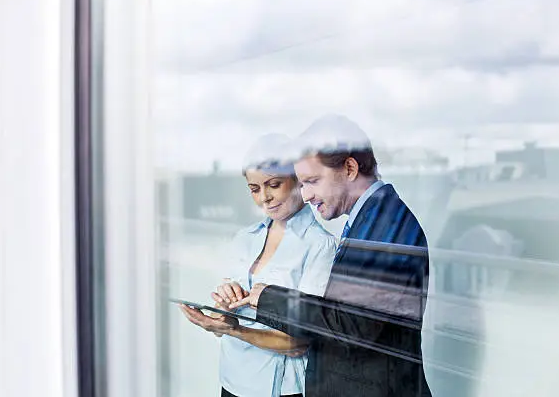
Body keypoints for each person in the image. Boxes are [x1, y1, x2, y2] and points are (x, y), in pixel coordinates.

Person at [185, 114, 431, 396]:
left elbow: (351, 325)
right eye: (303, 183)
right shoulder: (371, 220)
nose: (308, 195)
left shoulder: (385, 224)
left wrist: (266, 297)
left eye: (312, 181)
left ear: (350, 168)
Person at [180, 133, 336, 397]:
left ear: (298, 179)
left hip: (278, 390)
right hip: (231, 381)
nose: (264, 197)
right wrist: (221, 312)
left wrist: (235, 329)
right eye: (254, 189)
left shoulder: (320, 246)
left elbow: (300, 341)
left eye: (273, 185)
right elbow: (225, 324)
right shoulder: (244, 238)